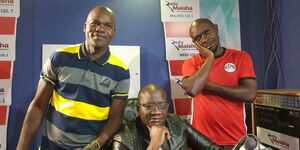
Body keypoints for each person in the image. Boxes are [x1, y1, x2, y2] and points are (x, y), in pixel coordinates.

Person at [17, 6, 130, 150]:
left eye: (107, 25)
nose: (100, 29)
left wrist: (92, 147)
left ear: (114, 31)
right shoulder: (59, 57)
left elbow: (115, 120)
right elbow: (38, 107)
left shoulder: (121, 71)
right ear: (85, 27)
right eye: (94, 23)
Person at [181, 18, 257, 150]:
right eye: (197, 38)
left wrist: (207, 86)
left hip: (234, 139)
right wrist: (210, 57)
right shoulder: (191, 62)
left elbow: (250, 94)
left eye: (207, 32)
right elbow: (193, 89)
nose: (204, 39)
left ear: (216, 28)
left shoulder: (240, 57)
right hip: (201, 140)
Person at [111, 84, 221, 150]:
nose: (156, 112)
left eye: (162, 106)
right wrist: (154, 143)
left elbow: (212, 148)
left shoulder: (178, 124)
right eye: (149, 106)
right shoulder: (123, 139)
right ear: (137, 108)